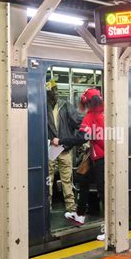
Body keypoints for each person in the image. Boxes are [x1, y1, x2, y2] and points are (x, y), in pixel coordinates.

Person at [52, 88, 104, 228]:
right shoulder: (104, 112)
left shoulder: (91, 116)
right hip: (100, 156)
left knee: (103, 190)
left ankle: (110, 228)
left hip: (101, 158)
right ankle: (80, 215)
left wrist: (60, 141)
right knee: (83, 178)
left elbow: (80, 138)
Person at [46, 80, 82, 213]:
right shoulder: (45, 107)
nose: (54, 93)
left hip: (64, 147)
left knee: (66, 179)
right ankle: (47, 206)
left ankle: (71, 208)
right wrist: (49, 140)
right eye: (51, 91)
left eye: (55, 90)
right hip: (52, 147)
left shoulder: (66, 106)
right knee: (49, 179)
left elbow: (77, 121)